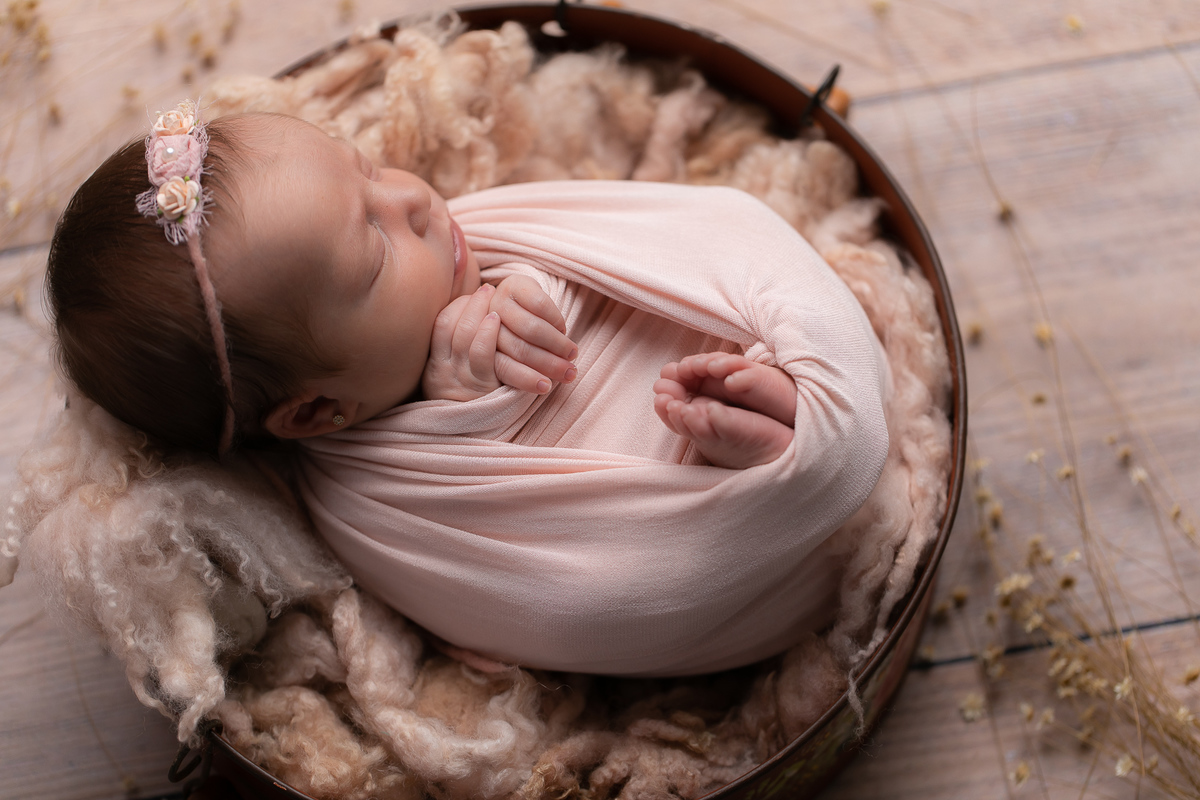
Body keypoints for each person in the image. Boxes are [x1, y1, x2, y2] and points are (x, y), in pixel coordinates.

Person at [48, 102, 890, 675]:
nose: (413, 200)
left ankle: (796, 409)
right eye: (374, 249)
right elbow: (565, 600)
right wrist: (468, 409)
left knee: (725, 352)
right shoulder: (374, 509)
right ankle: (783, 455)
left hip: (702, 336)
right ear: (315, 413)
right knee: (711, 427)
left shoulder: (477, 241)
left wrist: (528, 289)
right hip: (685, 526)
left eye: (368, 169)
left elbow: (683, 229)